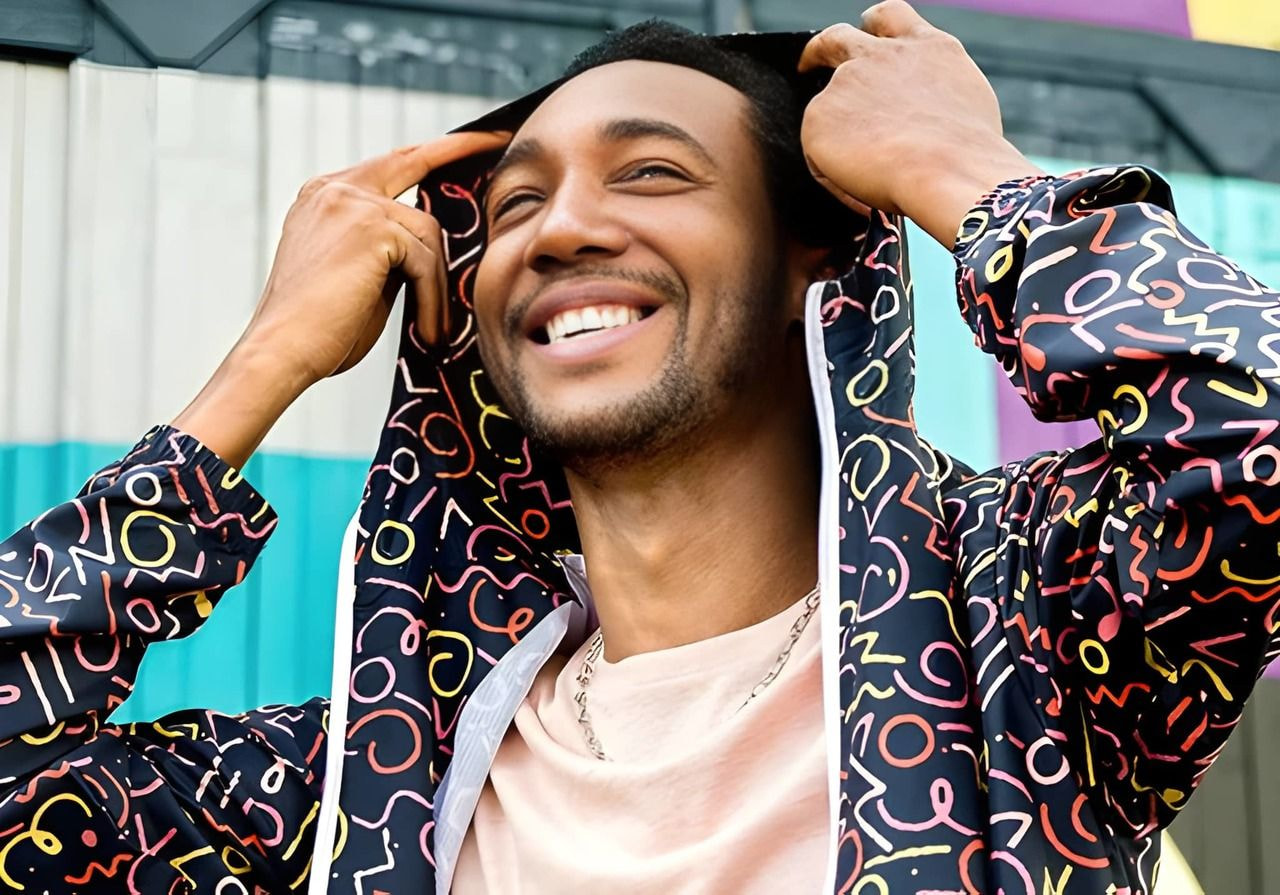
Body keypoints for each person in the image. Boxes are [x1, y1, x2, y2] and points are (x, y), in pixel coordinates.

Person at [0, 3, 1270, 892]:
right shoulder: (375, 786)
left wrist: (960, 170)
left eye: (651, 175)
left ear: (809, 267)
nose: (559, 230)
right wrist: (260, 367)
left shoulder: (1018, 632)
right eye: (510, 206)